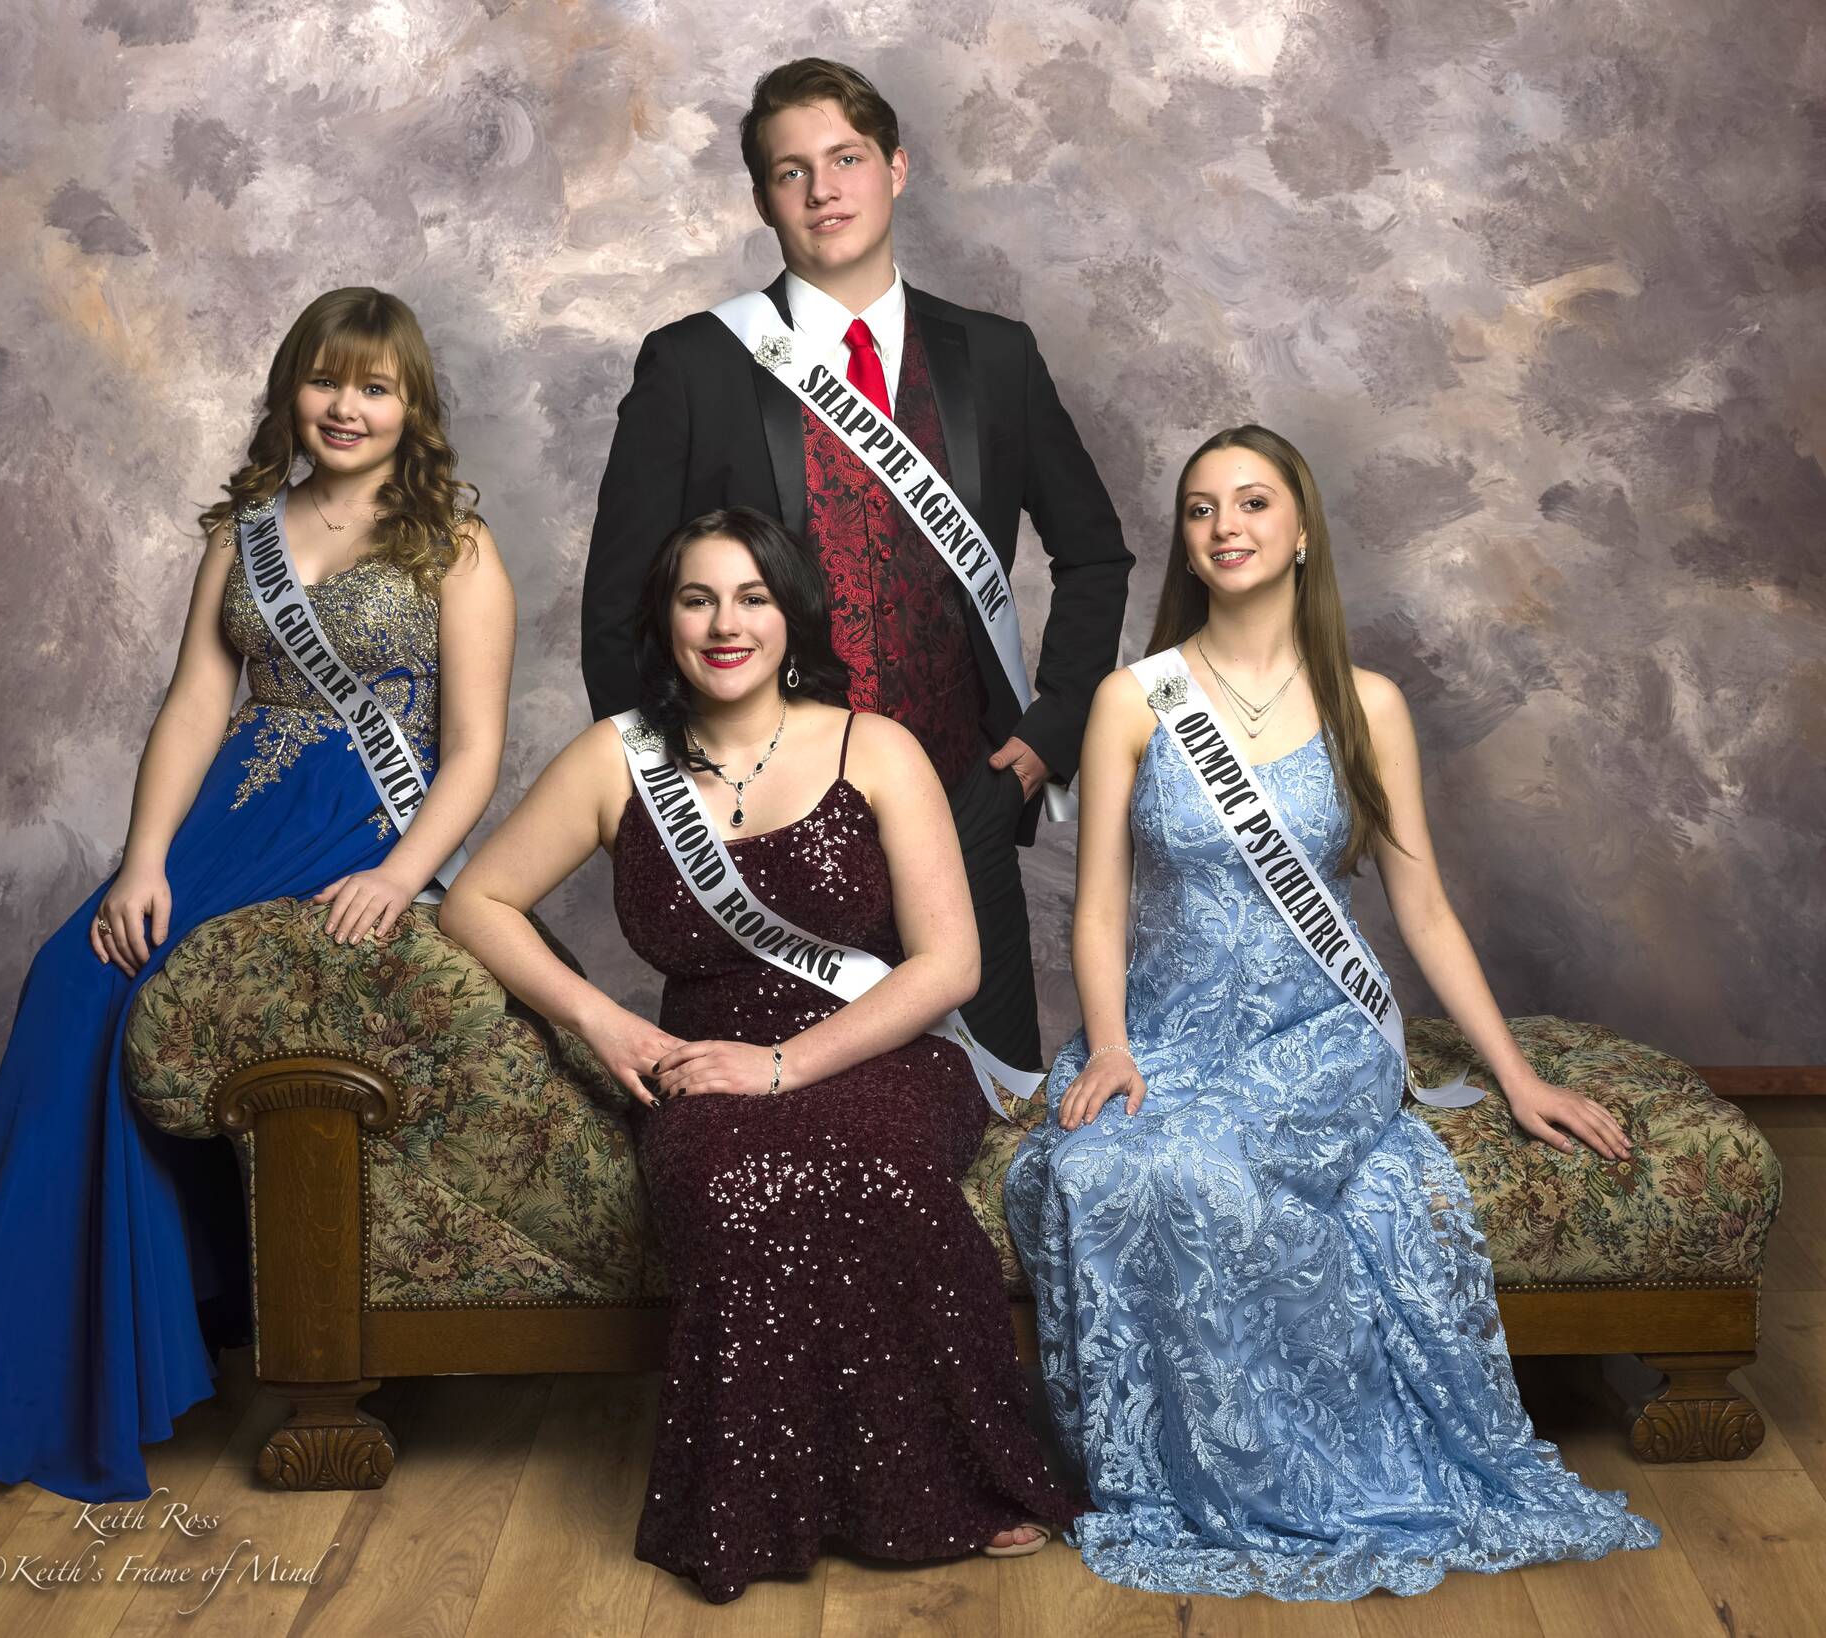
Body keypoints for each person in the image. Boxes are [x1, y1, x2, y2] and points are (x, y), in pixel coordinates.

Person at [0, 288, 517, 1502]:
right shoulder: (247, 526)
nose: (345, 407)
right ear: (289, 389)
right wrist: (142, 858)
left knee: (132, 1003)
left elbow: (472, 748)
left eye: (374, 386)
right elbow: (198, 702)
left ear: (412, 408)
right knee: (73, 980)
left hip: (356, 820)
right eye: (325, 380)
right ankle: (17, 1354)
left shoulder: (453, 544)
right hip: (232, 814)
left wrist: (400, 876)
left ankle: (98, 1351)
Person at [1004, 425, 1660, 1598]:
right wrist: (1107, 1044)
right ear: (1184, 541)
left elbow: (1423, 909)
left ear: (1300, 532)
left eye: (1252, 504)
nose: (1225, 528)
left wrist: (1515, 1076)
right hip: (1166, 1028)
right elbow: (1094, 910)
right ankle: (1175, 1479)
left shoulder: (1368, 705)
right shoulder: (1130, 701)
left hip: (1321, 1036)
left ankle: (1296, 1479)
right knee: (1097, 1172)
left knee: (1198, 1174)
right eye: (1200, 509)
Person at [445, 507, 1076, 1603]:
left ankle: (954, 1479)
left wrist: (782, 1068)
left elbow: (946, 968)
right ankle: (763, 1502)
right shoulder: (614, 758)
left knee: (874, 1172)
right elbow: (476, 903)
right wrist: (605, 1022)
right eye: (697, 599)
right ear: (666, 619)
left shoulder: (871, 745)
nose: (724, 624)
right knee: (735, 1186)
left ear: (790, 616)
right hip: (700, 1062)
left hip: (878, 1051)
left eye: (751, 598)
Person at [580, 57, 1132, 1075]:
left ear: (895, 169)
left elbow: (1095, 554)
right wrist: (678, 801)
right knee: (760, 1126)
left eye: (844, 159)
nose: (822, 190)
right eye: (791, 172)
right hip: (769, 829)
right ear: (761, 199)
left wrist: (1042, 737)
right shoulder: (694, 364)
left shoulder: (995, 357)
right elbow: (619, 607)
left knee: (992, 1106)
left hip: (962, 798)